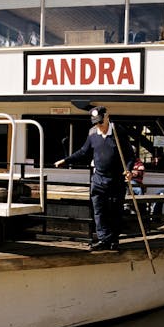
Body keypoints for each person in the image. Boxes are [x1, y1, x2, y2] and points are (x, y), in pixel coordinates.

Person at [55, 106, 134, 251]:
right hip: (98, 179)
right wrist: (66, 160)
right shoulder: (92, 134)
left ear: (107, 117)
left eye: (101, 123)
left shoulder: (118, 132)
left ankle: (113, 240)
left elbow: (130, 156)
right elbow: (83, 152)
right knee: (99, 210)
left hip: (116, 180)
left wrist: (128, 170)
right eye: (96, 123)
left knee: (115, 211)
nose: (99, 126)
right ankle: (104, 239)